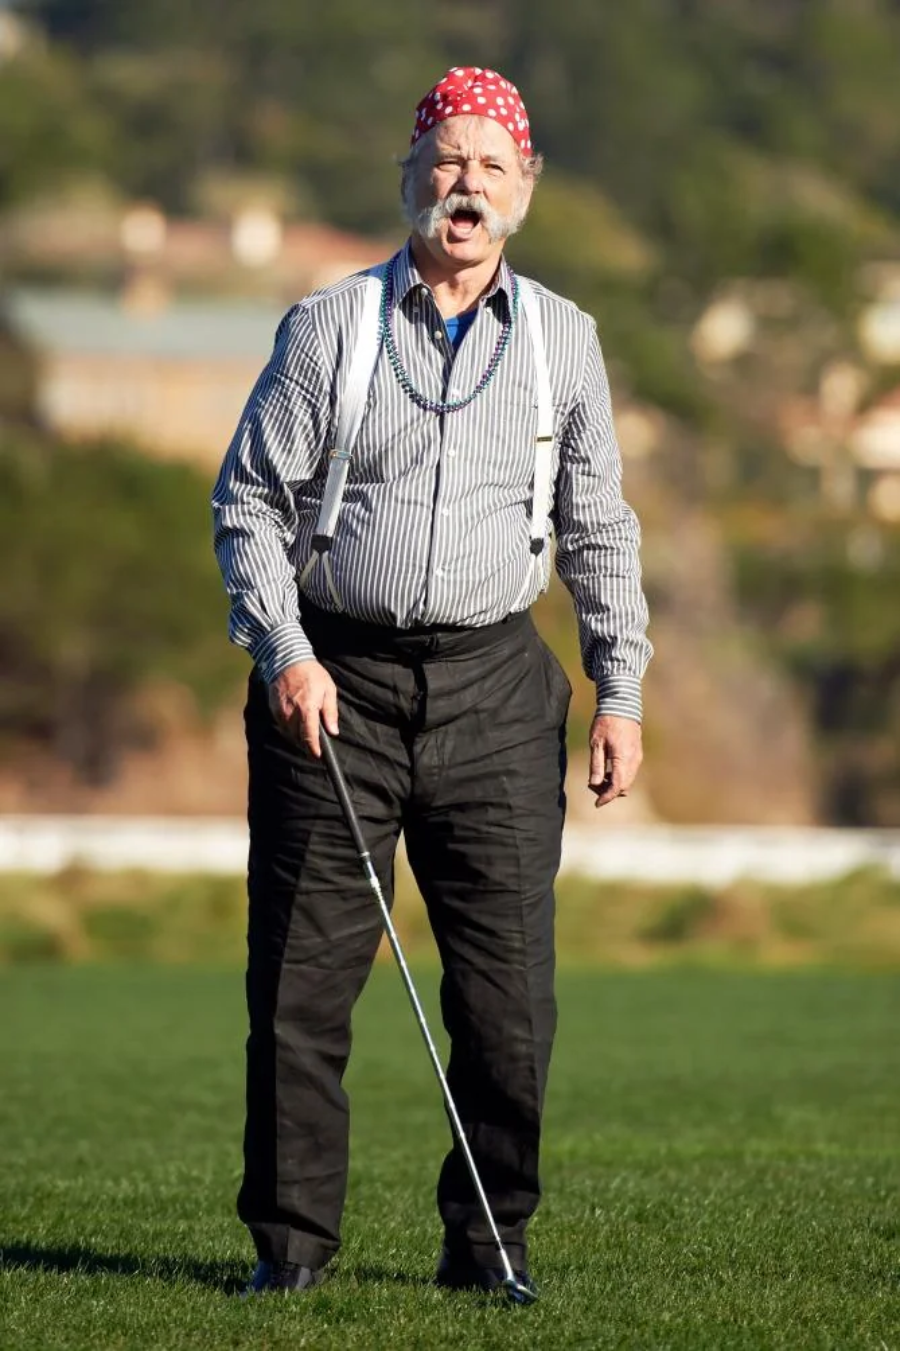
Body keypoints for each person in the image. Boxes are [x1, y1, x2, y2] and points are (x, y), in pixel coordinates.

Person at [212, 65, 652, 1298]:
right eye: (447, 162)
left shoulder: (567, 340)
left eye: (492, 167)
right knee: (300, 989)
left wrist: (620, 690)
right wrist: (283, 650)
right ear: (408, 177)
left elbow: (600, 529)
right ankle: (289, 1253)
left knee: (510, 997)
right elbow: (247, 503)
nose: (467, 187)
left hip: (497, 688)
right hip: (332, 686)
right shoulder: (326, 328)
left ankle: (489, 1246)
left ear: (526, 190)